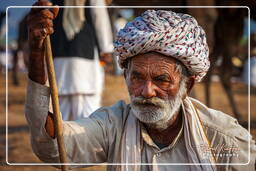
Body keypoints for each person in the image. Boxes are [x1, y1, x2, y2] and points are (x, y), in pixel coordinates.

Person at [25, 1, 256, 170]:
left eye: (161, 79)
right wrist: (36, 53)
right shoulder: (113, 126)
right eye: (136, 77)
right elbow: (54, 148)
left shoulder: (222, 139)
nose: (146, 91)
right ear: (126, 77)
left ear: (189, 85)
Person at [50, 0, 113, 120]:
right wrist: (106, 48)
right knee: (88, 115)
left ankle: (63, 138)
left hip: (59, 60)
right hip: (86, 61)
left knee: (61, 114)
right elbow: (100, 19)